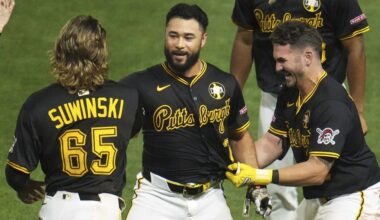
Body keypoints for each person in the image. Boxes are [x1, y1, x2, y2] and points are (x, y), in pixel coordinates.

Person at [119, 3, 264, 220]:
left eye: (188, 37)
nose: (179, 44)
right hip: (157, 198)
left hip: (210, 197)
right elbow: (107, 125)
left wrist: (257, 186)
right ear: (165, 35)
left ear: (203, 39)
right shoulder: (141, 84)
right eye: (173, 35)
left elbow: (240, 136)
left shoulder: (225, 84)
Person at [226, 21, 380, 220]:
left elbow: (318, 171)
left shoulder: (331, 103)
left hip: (353, 196)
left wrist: (262, 176)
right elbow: (272, 143)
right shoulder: (291, 92)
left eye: (282, 60)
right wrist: (227, 162)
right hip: (318, 199)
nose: (277, 68)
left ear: (308, 57)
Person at [5, 15, 141, 220]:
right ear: (102, 53)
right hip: (104, 211)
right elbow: (130, 132)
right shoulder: (129, 98)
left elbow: (16, 172)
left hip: (58, 209)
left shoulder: (39, 104)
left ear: (60, 51)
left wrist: (24, 187)